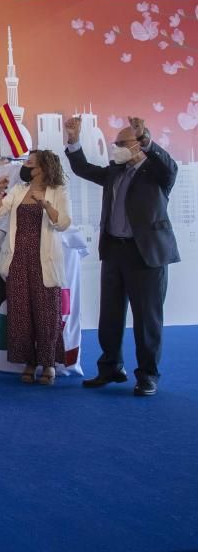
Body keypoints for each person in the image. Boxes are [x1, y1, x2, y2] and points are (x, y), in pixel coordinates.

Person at [65, 115, 179, 396]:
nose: (114, 148)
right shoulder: (115, 171)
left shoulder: (158, 173)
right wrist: (74, 139)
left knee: (147, 319)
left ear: (139, 144)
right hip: (114, 251)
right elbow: (83, 168)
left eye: (121, 143)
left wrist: (148, 140)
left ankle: (148, 375)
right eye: (114, 143)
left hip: (146, 255)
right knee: (110, 316)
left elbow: (170, 166)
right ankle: (110, 367)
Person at [0, 149, 72, 385]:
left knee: (47, 312)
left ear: (43, 168)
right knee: (20, 312)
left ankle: (48, 364)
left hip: (44, 260)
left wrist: (46, 206)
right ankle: (29, 362)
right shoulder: (18, 190)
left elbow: (63, 223)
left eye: (30, 163)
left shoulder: (58, 192)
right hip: (17, 259)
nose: (25, 166)